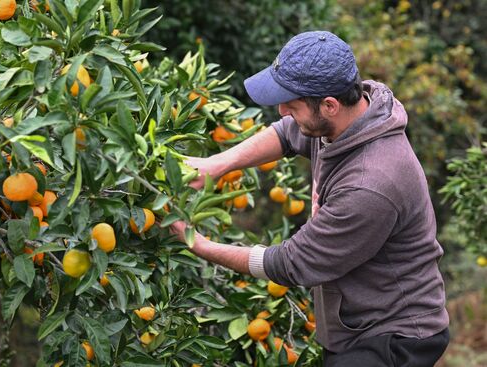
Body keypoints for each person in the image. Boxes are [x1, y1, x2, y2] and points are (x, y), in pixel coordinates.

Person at [169, 30, 450, 366]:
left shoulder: (371, 184)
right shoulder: (346, 117)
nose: (282, 110)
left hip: (394, 336)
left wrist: (198, 244)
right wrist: (215, 165)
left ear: (329, 105)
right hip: (356, 325)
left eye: (292, 103)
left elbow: (291, 263)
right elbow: (287, 134)